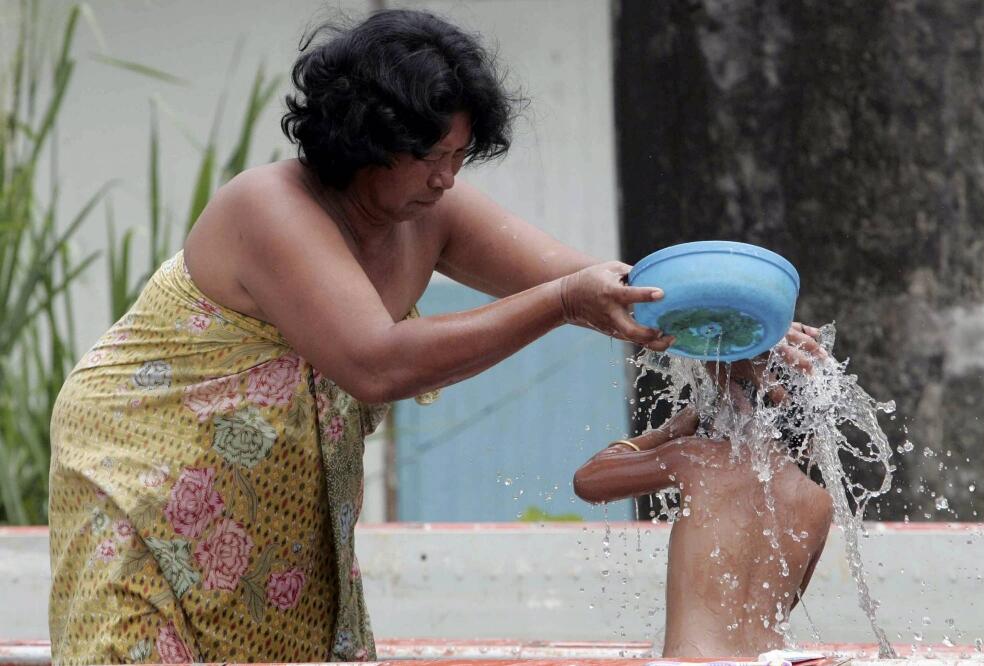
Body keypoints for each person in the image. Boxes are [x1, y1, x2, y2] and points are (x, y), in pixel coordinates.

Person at [47, 9, 674, 665]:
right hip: (139, 483)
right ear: (363, 139)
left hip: (272, 511)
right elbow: (376, 364)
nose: (447, 178)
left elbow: (612, 286)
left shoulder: (434, 213)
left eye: (460, 155)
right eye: (429, 155)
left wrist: (750, 333)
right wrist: (565, 302)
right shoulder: (267, 206)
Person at [573, 327, 834, 659]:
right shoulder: (818, 501)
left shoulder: (695, 458)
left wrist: (667, 432)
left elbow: (588, 480)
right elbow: (783, 602)